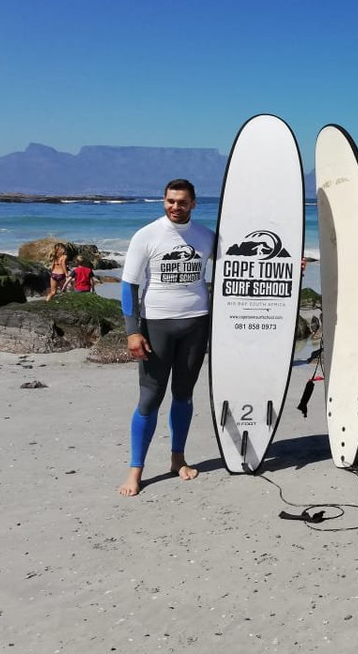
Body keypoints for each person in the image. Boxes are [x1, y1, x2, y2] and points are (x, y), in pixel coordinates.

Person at [117, 179, 215, 497]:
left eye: (182, 202)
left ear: (193, 204)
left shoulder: (206, 237)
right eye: (171, 201)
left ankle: (178, 459)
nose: (176, 206)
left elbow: (244, 264)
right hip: (156, 326)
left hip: (196, 325)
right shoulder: (147, 235)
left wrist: (289, 264)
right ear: (163, 201)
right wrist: (133, 331)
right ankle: (136, 471)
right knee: (150, 398)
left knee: (184, 395)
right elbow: (128, 285)